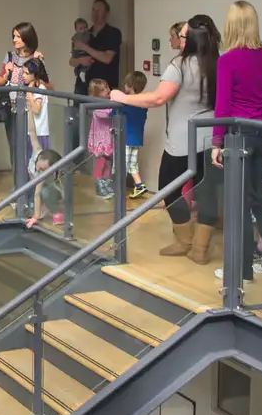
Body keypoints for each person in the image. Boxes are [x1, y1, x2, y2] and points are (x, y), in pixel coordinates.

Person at [111, 15, 220, 258]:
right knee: (206, 192)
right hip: (213, 136)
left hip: (182, 139)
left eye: (181, 35)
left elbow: (159, 98)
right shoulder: (217, 63)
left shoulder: (179, 65)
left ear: (190, 39)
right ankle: (200, 249)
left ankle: (185, 241)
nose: (178, 39)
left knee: (167, 189)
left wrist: (124, 98)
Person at [211, 1, 262, 283]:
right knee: (258, 199)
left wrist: (217, 142)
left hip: (238, 134)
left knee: (238, 204)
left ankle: (239, 270)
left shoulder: (227, 59)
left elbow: (223, 104)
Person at [0, 23, 42, 184]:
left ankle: (30, 187)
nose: (14, 39)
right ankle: (18, 188)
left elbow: (46, 83)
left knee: (29, 149)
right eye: (13, 36)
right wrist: (7, 72)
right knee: (14, 149)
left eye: (18, 36)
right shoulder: (9, 56)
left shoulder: (36, 57)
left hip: (29, 109)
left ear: (27, 38)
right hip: (11, 108)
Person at [72, 0, 122, 91]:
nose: (95, 13)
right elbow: (72, 61)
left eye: (99, 10)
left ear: (106, 13)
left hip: (104, 88)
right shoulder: (82, 35)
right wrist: (80, 60)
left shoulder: (113, 33)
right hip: (83, 87)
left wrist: (84, 47)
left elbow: (107, 58)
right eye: (93, 10)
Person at [119, 71, 149, 199]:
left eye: (126, 84)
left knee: (122, 164)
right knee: (132, 164)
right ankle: (139, 185)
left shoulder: (126, 103)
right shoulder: (143, 104)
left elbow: (113, 113)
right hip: (137, 139)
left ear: (130, 85)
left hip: (126, 138)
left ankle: (119, 190)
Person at [87, 78, 116, 198]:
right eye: (103, 90)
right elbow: (107, 114)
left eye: (107, 88)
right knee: (101, 162)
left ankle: (106, 182)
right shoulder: (97, 107)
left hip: (108, 138)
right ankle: (99, 185)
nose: (108, 91)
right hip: (100, 140)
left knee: (108, 162)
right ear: (96, 94)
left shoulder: (108, 103)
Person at [25, 147, 64, 230]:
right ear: (40, 157)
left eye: (44, 170)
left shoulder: (42, 174)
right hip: (33, 186)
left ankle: (56, 211)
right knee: (16, 190)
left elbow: (37, 194)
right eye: (41, 167)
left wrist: (36, 217)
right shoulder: (37, 152)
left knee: (44, 192)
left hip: (49, 192)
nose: (39, 170)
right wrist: (32, 133)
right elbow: (34, 138)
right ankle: (32, 207)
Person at [70, 18, 91, 91]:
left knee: (87, 62)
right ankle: (80, 72)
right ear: (76, 29)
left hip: (84, 53)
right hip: (77, 53)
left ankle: (82, 72)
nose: (83, 30)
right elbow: (72, 61)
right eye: (80, 28)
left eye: (85, 27)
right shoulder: (77, 36)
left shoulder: (88, 34)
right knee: (79, 62)